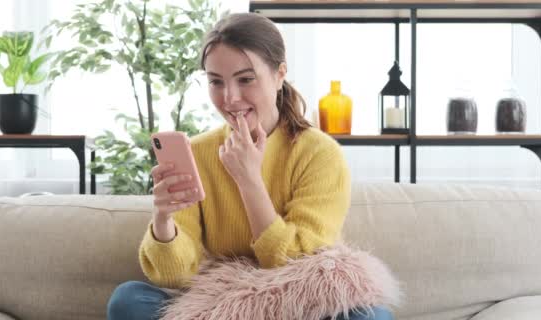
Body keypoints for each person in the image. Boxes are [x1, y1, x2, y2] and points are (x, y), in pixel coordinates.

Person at [107, 12, 394, 320]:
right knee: (128, 300)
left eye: (246, 79)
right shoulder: (200, 152)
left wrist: (249, 181)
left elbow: (298, 264)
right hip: (222, 303)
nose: (230, 98)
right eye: (216, 82)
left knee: (371, 317)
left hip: (297, 302)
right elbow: (174, 276)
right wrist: (163, 221)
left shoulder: (319, 154)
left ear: (279, 74)